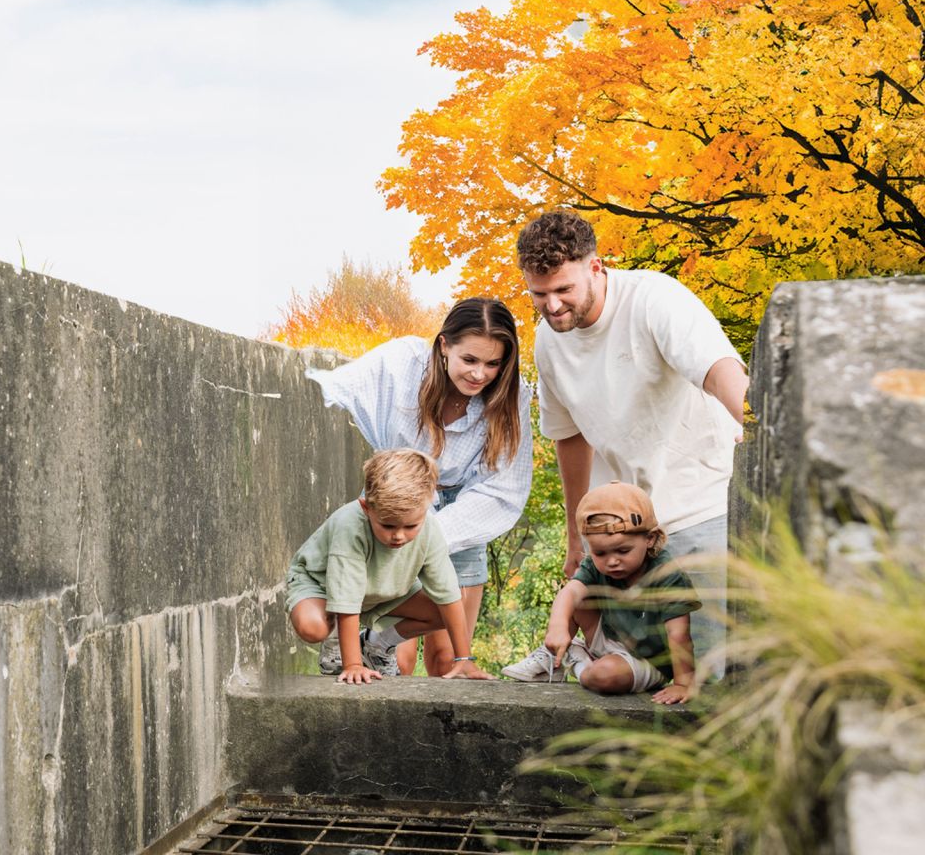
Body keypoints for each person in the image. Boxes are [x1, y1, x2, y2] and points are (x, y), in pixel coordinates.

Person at [516, 209, 748, 674]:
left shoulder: (653, 299)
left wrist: (761, 428)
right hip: (628, 527)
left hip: (703, 504)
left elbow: (718, 369)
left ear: (596, 268)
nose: (552, 305)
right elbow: (570, 438)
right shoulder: (547, 340)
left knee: (713, 670)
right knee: (648, 675)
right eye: (539, 294)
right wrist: (576, 538)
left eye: (564, 290)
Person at [306, 297, 533, 676]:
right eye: (470, 360)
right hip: (400, 509)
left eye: (493, 364)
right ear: (444, 346)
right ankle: (374, 655)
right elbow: (339, 386)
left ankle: (385, 650)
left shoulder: (512, 396)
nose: (480, 374)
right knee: (402, 661)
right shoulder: (403, 364)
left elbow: (503, 487)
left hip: (468, 510)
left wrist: (432, 534)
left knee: (448, 653)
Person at [286, 448, 492, 684]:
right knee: (312, 627)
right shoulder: (350, 526)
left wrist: (463, 657)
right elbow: (346, 597)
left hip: (379, 589)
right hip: (322, 586)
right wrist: (353, 665)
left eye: (410, 526)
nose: (399, 536)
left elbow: (449, 596)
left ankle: (377, 644)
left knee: (444, 613)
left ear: (426, 509)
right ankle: (335, 637)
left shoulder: (430, 529)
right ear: (366, 508)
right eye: (388, 526)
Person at [502, 482, 699, 703]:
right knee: (576, 594)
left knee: (602, 676)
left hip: (647, 660)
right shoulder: (595, 567)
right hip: (609, 638)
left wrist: (683, 684)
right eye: (600, 552)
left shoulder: (667, 575)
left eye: (623, 550)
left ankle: (576, 661)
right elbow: (569, 594)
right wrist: (557, 628)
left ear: (650, 539)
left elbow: (679, 634)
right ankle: (554, 655)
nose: (612, 561)